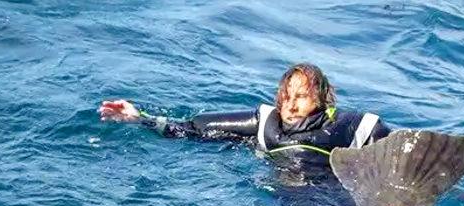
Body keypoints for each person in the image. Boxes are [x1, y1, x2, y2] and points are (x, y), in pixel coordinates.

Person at [99, 63, 391, 165]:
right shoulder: (266, 124)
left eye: (301, 97)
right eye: (286, 97)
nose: (290, 106)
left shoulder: (351, 127)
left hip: (339, 198)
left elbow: (401, 157)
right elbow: (194, 130)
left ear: (322, 99)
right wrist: (140, 119)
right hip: (294, 205)